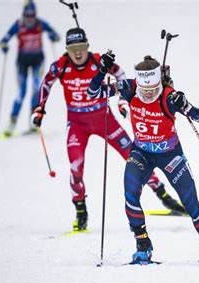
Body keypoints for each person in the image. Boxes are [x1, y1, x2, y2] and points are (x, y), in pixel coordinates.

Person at [31, 27, 186, 232]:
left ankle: (164, 196)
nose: (77, 53)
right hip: (77, 125)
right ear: (66, 50)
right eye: (72, 48)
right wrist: (40, 108)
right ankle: (80, 210)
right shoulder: (61, 66)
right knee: (76, 166)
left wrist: (122, 101)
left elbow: (121, 74)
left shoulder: (98, 62)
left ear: (87, 46)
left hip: (105, 120)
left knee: (134, 155)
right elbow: (46, 83)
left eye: (81, 47)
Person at [88, 54, 199, 263]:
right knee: (130, 195)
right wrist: (101, 71)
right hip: (141, 153)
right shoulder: (128, 88)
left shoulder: (168, 96)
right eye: (144, 90)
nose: (148, 94)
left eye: (153, 90)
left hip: (170, 156)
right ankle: (143, 246)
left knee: (191, 203)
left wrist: (187, 105)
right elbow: (93, 93)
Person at [0, 0, 60, 136]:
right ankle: (12, 123)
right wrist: (4, 46)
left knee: (36, 89)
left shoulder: (40, 24)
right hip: (22, 62)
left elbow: (56, 35)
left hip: (38, 60)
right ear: (23, 15)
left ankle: (34, 122)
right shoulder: (19, 25)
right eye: (27, 16)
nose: (30, 19)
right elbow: (4, 40)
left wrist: (53, 36)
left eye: (32, 15)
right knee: (21, 92)